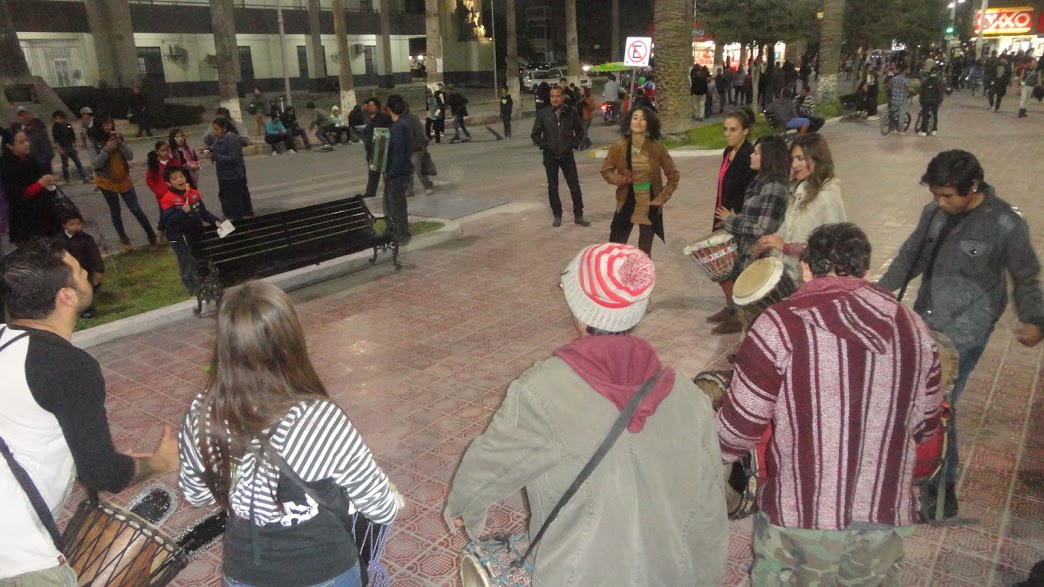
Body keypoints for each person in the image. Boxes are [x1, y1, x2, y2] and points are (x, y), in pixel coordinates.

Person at [445, 242, 728, 585]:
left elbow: (488, 467)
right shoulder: (689, 398)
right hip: (671, 572)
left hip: (579, 574)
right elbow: (711, 504)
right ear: (640, 310)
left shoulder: (540, 393)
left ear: (578, 312)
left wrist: (463, 509)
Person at [718, 222, 943, 584]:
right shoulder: (914, 327)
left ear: (806, 268)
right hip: (884, 511)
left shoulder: (778, 325)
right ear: (868, 272)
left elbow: (737, 429)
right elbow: (927, 422)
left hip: (800, 513)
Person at [178, 280, 401, 587]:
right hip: (325, 573)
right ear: (291, 341)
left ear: (225, 345)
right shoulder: (321, 419)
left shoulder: (203, 413)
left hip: (245, 575)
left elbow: (197, 494)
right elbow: (380, 507)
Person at [877, 150, 1044, 520]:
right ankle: (916, 465)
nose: (940, 202)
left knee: (940, 405)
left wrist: (1034, 319)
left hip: (967, 331)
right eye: (936, 194)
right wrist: (877, 293)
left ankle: (941, 495)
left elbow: (1026, 274)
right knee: (916, 398)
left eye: (948, 195)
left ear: (973, 185)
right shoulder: (933, 213)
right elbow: (910, 257)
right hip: (927, 318)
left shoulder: (1005, 223)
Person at [0, 238, 178, 584]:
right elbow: (101, 474)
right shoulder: (66, 366)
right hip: (16, 555)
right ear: (66, 296)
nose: (89, 277)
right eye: (81, 273)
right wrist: (160, 463)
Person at [710, 135, 792, 334]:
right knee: (750, 312)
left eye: (756, 153)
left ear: (769, 157)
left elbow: (763, 229)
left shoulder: (773, 187)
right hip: (748, 252)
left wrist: (732, 220)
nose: (751, 156)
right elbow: (755, 218)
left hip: (759, 255)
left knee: (758, 312)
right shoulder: (761, 181)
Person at [750, 133, 847, 282]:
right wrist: (770, 241)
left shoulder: (828, 196)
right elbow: (788, 227)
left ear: (817, 159)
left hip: (814, 280)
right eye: (792, 159)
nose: (794, 165)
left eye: (801, 159)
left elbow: (831, 245)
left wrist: (785, 247)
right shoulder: (799, 189)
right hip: (792, 275)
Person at [601, 106, 678, 258]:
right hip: (627, 199)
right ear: (629, 121)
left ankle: (642, 278)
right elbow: (606, 171)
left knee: (644, 250)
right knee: (616, 245)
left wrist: (662, 197)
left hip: (650, 201)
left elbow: (673, 175)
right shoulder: (619, 147)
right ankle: (617, 278)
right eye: (635, 118)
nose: (638, 121)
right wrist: (622, 179)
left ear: (649, 123)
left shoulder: (657, 148)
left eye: (643, 119)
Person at [706, 108, 757, 326]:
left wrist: (738, 213)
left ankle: (738, 314)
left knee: (731, 268)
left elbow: (752, 189)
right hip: (721, 214)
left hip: (735, 219)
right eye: (725, 129)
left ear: (745, 131)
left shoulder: (748, 155)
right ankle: (731, 308)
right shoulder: (728, 152)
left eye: (733, 130)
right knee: (720, 266)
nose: (728, 133)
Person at [86, 114, 159, 247]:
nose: (108, 126)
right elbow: (95, 164)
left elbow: (130, 156)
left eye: (110, 123)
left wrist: (121, 143)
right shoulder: (93, 140)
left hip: (123, 177)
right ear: (98, 125)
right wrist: (106, 150)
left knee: (135, 208)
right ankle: (123, 238)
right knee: (115, 210)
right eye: (105, 124)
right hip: (106, 180)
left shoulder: (116, 136)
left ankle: (151, 234)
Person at [531, 87, 589, 227]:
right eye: (552, 96)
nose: (555, 99)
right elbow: (535, 134)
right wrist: (545, 145)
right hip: (550, 156)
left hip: (567, 155)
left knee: (574, 185)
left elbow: (580, 132)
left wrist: (572, 145)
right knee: (552, 187)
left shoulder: (571, 112)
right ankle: (557, 214)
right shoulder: (543, 113)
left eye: (557, 96)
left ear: (563, 97)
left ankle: (579, 215)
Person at [158, 166, 221, 293]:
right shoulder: (167, 199)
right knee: (185, 260)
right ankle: (190, 286)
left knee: (200, 255)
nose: (179, 180)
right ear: (168, 183)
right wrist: (183, 211)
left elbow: (202, 212)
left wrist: (215, 221)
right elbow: (168, 221)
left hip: (194, 231)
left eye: (181, 176)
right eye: (175, 178)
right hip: (177, 236)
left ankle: (204, 280)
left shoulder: (193, 194)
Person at [1, 129, 59, 245]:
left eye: (26, 140)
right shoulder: (6, 166)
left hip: (45, 216)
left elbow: (43, 177)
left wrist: (49, 182)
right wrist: (39, 185)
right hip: (25, 221)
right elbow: (16, 195)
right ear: (10, 146)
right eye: (21, 142)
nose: (27, 144)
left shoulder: (31, 158)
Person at [57, 211, 104, 319]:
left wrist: (99, 269)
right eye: (72, 224)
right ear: (64, 226)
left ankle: (89, 310)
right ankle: (75, 310)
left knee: (86, 290)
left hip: (85, 270)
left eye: (78, 224)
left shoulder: (86, 239)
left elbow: (94, 254)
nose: (76, 227)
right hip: (67, 271)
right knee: (72, 291)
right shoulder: (59, 241)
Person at [209, 117, 254, 221]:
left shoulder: (232, 139)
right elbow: (213, 148)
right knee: (225, 196)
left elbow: (234, 158)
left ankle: (239, 217)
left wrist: (217, 157)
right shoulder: (218, 139)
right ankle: (230, 214)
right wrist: (208, 150)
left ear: (224, 128)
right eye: (214, 129)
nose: (214, 132)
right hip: (223, 174)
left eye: (217, 129)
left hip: (234, 175)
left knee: (235, 199)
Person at [382, 95, 413, 244]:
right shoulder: (405, 123)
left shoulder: (397, 127)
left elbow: (398, 153)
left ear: (388, 109)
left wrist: (391, 172)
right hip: (404, 170)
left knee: (397, 206)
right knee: (396, 203)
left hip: (398, 173)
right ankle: (399, 231)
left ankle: (402, 234)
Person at [359, 98, 392, 199]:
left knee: (386, 172)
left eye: (372, 105)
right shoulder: (367, 118)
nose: (370, 107)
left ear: (378, 106)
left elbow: (390, 129)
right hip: (371, 150)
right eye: (368, 105)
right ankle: (370, 191)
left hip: (382, 148)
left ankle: (391, 190)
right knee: (373, 173)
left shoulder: (384, 117)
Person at [403, 99, 435, 197]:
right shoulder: (399, 119)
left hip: (417, 147)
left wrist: (422, 144)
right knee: (407, 170)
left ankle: (428, 185)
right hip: (406, 148)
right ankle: (409, 189)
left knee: (418, 167)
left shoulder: (412, 118)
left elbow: (420, 132)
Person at [11, 105, 54, 174]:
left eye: (25, 114)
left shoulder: (39, 128)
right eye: (20, 115)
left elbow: (47, 151)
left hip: (41, 168)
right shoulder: (15, 131)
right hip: (25, 170)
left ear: (30, 114)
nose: (24, 117)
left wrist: (37, 164)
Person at [50, 111, 90, 184]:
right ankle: (67, 179)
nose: (59, 120)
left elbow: (73, 136)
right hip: (63, 147)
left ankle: (84, 177)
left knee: (78, 162)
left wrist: (75, 145)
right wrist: (59, 149)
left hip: (70, 146)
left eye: (60, 118)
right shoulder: (55, 127)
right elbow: (55, 139)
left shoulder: (68, 125)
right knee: (65, 164)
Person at [145, 140, 175, 209]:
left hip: (176, 195)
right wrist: (158, 191)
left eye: (167, 150)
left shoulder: (174, 162)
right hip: (163, 197)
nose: (165, 153)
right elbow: (149, 180)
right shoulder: (154, 165)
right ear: (157, 152)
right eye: (162, 151)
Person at [917, 67, 945, 136]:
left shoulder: (925, 80)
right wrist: (940, 100)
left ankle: (924, 130)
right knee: (935, 114)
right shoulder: (939, 81)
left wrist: (921, 100)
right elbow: (940, 92)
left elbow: (921, 91)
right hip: (935, 101)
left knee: (925, 115)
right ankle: (934, 130)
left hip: (926, 100)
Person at [887, 65, 913, 133]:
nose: (909, 71)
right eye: (908, 70)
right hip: (902, 100)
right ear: (905, 71)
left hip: (894, 99)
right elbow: (909, 88)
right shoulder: (906, 80)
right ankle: (900, 129)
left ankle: (892, 128)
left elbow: (889, 86)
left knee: (893, 113)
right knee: (902, 114)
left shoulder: (894, 78)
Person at [576, 85, 595, 150]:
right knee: (581, 131)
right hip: (579, 117)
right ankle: (587, 142)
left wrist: (586, 105)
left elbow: (592, 107)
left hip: (586, 118)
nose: (580, 91)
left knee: (584, 131)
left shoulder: (589, 98)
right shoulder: (579, 98)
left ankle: (582, 145)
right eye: (580, 90)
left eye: (582, 90)